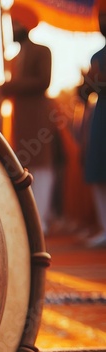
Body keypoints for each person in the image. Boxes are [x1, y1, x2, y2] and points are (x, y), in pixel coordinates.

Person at [1, 4, 57, 235]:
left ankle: (40, 219)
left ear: (24, 25)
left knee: (41, 167)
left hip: (37, 117)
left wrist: (11, 86)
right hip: (19, 119)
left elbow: (44, 81)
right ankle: (29, 219)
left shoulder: (42, 51)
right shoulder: (14, 58)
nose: (12, 28)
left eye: (14, 23)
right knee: (25, 166)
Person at [82, 10, 106, 247]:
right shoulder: (96, 56)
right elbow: (85, 93)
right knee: (98, 168)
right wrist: (88, 82)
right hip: (101, 116)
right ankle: (104, 226)